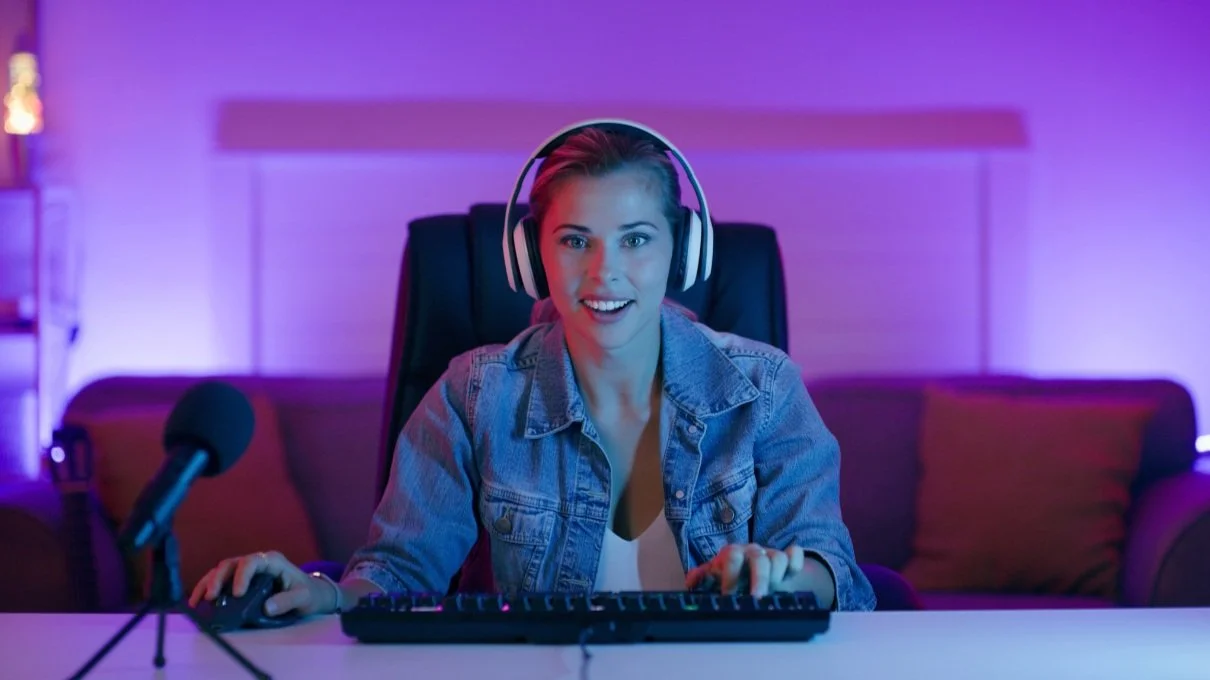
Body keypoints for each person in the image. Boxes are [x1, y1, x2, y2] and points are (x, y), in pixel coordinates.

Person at [189, 120, 878, 619]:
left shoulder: (765, 388)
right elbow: (399, 575)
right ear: (529, 258)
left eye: (637, 239)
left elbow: (834, 574)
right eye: (575, 240)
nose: (605, 271)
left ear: (684, 252)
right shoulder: (473, 394)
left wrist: (788, 577)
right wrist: (321, 592)